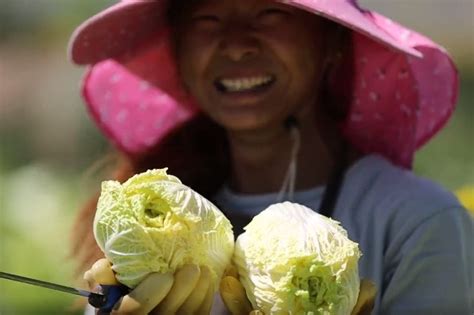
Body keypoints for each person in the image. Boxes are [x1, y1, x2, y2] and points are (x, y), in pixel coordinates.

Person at [68, 0, 473, 314]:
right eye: (206, 18)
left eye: (269, 12)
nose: (238, 44)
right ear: (178, 53)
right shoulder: (137, 227)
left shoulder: (417, 219)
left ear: (331, 41)